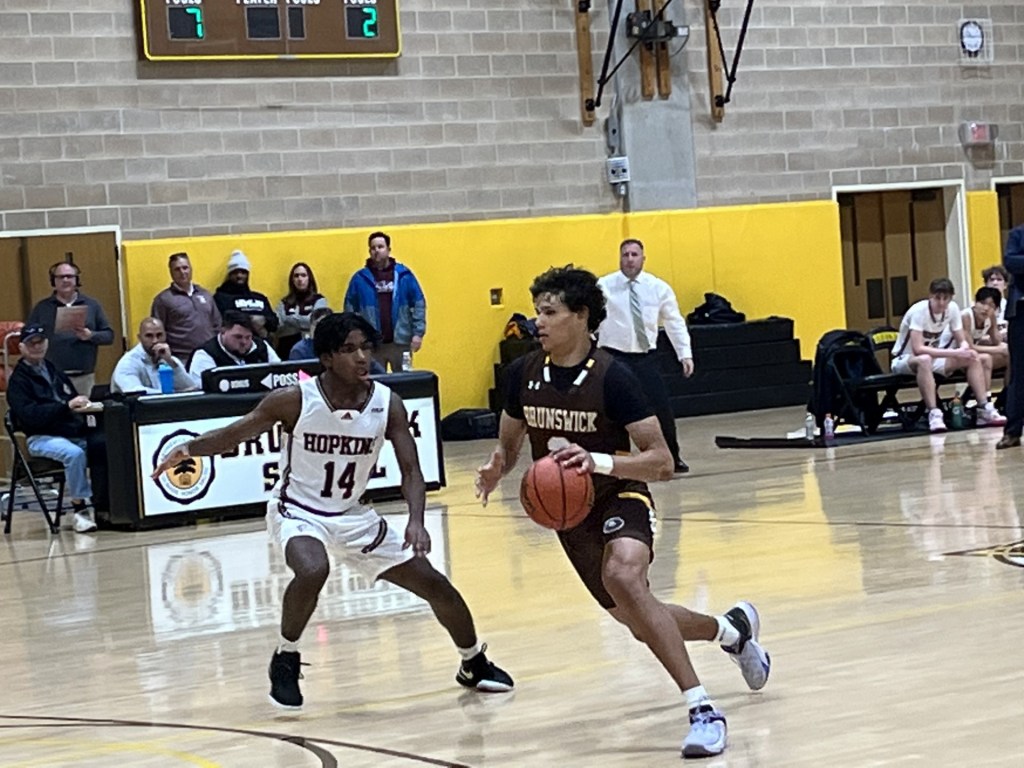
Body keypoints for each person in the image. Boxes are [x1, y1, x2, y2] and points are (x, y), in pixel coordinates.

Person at [475, 266, 769, 759]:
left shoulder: (614, 377)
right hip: (571, 516)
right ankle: (731, 630)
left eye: (549, 312)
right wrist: (496, 468)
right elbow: (509, 442)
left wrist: (599, 462)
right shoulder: (522, 374)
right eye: (537, 312)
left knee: (624, 578)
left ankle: (703, 710)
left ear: (581, 316)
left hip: (620, 494)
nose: (537, 322)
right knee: (639, 621)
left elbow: (662, 462)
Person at [152, 312, 513, 710]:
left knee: (437, 586)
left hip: (354, 516)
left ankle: (473, 662)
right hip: (298, 509)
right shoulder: (295, 399)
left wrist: (416, 520)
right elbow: (234, 434)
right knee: (313, 569)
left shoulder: (387, 403)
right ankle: (286, 657)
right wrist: (187, 448)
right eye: (348, 349)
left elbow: (411, 470)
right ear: (326, 358)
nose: (361, 357)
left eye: (366, 348)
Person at [597, 239, 693, 474]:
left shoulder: (658, 287)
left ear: (643, 258)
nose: (630, 259)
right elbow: (589, 318)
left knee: (661, 407)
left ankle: (671, 457)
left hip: (644, 356)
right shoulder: (603, 287)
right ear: (620, 258)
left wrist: (685, 354)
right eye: (626, 255)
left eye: (634, 255)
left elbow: (674, 321)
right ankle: (611, 459)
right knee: (610, 411)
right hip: (613, 357)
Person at [6, 323, 100, 533]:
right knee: (74, 454)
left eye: (40, 342)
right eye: (31, 343)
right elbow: (31, 416)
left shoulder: (53, 369)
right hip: (41, 437)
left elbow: (70, 397)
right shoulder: (18, 382)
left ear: (47, 343)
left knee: (102, 446)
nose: (37, 346)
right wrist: (65, 407)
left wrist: (83, 404)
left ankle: (105, 505)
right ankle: (80, 509)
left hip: (69, 431)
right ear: (21, 348)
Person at [891, 277, 1005, 433]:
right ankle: (934, 413)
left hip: (934, 358)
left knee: (975, 358)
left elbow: (961, 339)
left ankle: (983, 408)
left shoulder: (953, 309)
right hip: (904, 359)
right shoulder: (919, 311)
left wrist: (965, 349)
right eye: (937, 298)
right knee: (924, 359)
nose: (941, 303)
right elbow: (918, 349)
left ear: (951, 298)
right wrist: (954, 352)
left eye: (946, 298)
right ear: (930, 296)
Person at [26, 261, 114, 398]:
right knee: (55, 410)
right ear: (53, 281)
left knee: (85, 410)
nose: (65, 280)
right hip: (52, 376)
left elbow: (109, 336)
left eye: (69, 276)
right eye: (61, 277)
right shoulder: (42, 308)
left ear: (76, 279)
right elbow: (28, 337)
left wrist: (91, 335)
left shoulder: (92, 305)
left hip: (84, 376)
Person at [344, 231, 426, 372]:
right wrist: (355, 337)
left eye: (380, 247)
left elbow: (419, 303)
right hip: (372, 344)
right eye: (373, 248)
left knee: (404, 381)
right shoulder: (359, 279)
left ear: (388, 249)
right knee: (375, 381)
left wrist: (418, 333)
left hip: (401, 342)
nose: (377, 251)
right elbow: (349, 310)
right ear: (369, 251)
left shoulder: (404, 276)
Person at [151, 252, 222, 359]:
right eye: (177, 269)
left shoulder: (205, 294)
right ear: (171, 272)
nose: (182, 272)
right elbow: (157, 332)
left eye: (185, 268)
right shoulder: (163, 299)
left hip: (208, 355)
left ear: (191, 269)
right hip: (181, 357)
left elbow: (217, 324)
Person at [111, 317, 199, 394]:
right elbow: (133, 391)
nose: (155, 341)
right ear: (139, 338)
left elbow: (191, 388)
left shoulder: (170, 359)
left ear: (165, 335)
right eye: (149, 336)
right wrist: (170, 394)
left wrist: (171, 363)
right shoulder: (128, 362)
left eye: (159, 335)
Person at [187, 311, 281, 378]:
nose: (244, 342)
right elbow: (202, 391)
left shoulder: (262, 346)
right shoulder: (205, 354)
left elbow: (280, 374)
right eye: (238, 337)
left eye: (248, 337)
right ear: (223, 332)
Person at [998, 225, 1024, 449]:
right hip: (1022, 312)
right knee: (1019, 374)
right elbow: (1010, 261)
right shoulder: (1018, 234)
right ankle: (1012, 431)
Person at [214, 250, 278, 340]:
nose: (239, 276)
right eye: (235, 272)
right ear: (229, 275)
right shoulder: (221, 297)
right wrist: (251, 320)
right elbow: (225, 321)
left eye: (243, 272)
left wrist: (264, 320)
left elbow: (275, 323)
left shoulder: (260, 297)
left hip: (262, 344)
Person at [960, 286, 1008, 394]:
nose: (986, 308)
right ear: (975, 302)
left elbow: (996, 341)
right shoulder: (966, 316)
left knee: (1011, 356)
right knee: (986, 358)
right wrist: (999, 349)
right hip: (953, 354)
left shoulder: (990, 317)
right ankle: (985, 397)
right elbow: (969, 347)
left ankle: (1007, 393)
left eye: (991, 305)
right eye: (982, 303)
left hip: (971, 355)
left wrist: (995, 326)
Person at [275, 262, 328, 358]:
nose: (300, 279)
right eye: (296, 276)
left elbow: (316, 323)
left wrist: (289, 319)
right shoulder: (284, 302)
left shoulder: (319, 300)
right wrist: (304, 323)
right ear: (292, 280)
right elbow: (278, 326)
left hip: (310, 349)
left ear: (309, 278)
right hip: (286, 348)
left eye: (303, 275)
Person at [982, 264, 1010, 342]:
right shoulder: (977, 306)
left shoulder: (1011, 307)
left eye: (999, 279)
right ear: (985, 284)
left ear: (1005, 285)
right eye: (992, 280)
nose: (995, 283)